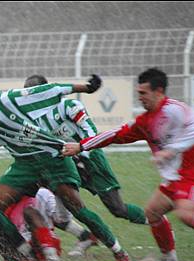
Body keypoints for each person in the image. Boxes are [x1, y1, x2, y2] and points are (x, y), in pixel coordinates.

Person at [0, 77, 133, 261]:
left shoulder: (9, 100)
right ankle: (26, 254)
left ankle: (119, 252)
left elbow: (50, 89)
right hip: (25, 165)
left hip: (53, 158)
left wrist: (87, 88)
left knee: (78, 210)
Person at [62, 68, 194, 261]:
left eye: (143, 93)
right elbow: (116, 134)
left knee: (186, 214)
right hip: (176, 177)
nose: (140, 98)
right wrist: (82, 146)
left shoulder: (174, 109)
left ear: (159, 91)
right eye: (138, 93)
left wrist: (171, 150)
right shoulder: (145, 121)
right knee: (152, 212)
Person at [24, 74, 147, 226]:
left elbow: (91, 132)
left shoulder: (69, 106)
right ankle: (50, 239)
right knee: (30, 187)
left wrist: (82, 153)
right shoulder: (32, 120)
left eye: (31, 93)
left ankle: (155, 220)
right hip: (67, 164)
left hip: (91, 160)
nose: (27, 99)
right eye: (26, 95)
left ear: (45, 92)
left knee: (117, 209)